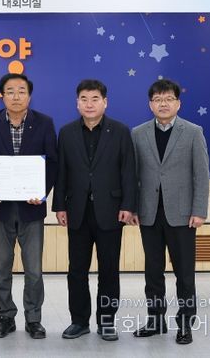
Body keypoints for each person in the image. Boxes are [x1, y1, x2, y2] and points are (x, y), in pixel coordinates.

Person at [53, 79, 136, 341]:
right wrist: (59, 206)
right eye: (84, 99)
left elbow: (128, 171)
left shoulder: (120, 131)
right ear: (77, 103)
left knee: (109, 270)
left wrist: (128, 205)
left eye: (95, 99)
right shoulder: (66, 133)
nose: (89, 104)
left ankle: (107, 321)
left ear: (105, 102)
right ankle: (79, 321)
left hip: (111, 210)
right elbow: (61, 172)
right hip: (77, 211)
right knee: (76, 270)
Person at [0, 73, 58, 340]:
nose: (16, 96)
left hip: (31, 208)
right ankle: (6, 317)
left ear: (29, 96)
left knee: (33, 269)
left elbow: (52, 163)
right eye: (10, 91)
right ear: (2, 96)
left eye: (21, 91)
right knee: (2, 267)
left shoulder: (44, 123)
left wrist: (41, 192)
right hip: (0, 208)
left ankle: (33, 319)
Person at [131, 79, 209, 345]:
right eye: (157, 99)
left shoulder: (193, 132)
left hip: (183, 214)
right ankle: (156, 320)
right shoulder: (138, 133)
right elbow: (133, 175)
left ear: (178, 103)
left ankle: (185, 324)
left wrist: (199, 210)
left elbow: (201, 175)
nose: (163, 104)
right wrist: (133, 208)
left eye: (168, 99)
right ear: (150, 104)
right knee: (153, 272)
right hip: (149, 213)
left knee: (184, 273)